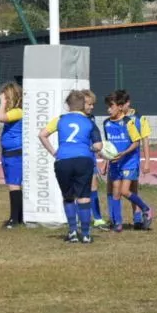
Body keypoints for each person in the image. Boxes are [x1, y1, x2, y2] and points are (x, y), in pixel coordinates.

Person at [39, 90, 103, 244]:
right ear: (83, 105)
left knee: (68, 197)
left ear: (68, 106)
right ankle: (86, 234)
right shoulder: (90, 122)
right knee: (84, 196)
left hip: (63, 161)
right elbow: (98, 145)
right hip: (83, 160)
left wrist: (54, 153)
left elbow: (42, 134)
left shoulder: (59, 120)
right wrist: (92, 149)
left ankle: (73, 232)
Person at [103, 93, 152, 233]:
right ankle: (117, 223)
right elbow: (108, 145)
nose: (108, 110)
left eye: (111, 106)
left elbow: (139, 141)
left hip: (130, 161)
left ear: (122, 105)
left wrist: (146, 161)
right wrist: (106, 160)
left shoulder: (133, 121)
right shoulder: (107, 123)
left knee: (127, 190)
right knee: (115, 192)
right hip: (115, 162)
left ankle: (144, 210)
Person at [0, 82, 24, 229]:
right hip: (8, 152)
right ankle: (18, 216)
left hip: (15, 152)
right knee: (12, 184)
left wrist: (2, 103)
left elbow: (0, 117)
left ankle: (15, 219)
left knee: (14, 185)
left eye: (6, 98)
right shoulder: (14, 113)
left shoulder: (18, 112)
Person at [82, 90, 108, 231]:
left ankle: (97, 219)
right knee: (78, 190)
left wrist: (101, 156)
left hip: (90, 158)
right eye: (89, 104)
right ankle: (79, 220)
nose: (92, 107)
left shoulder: (91, 118)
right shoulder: (72, 118)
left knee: (93, 187)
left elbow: (95, 139)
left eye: (93, 104)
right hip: (78, 158)